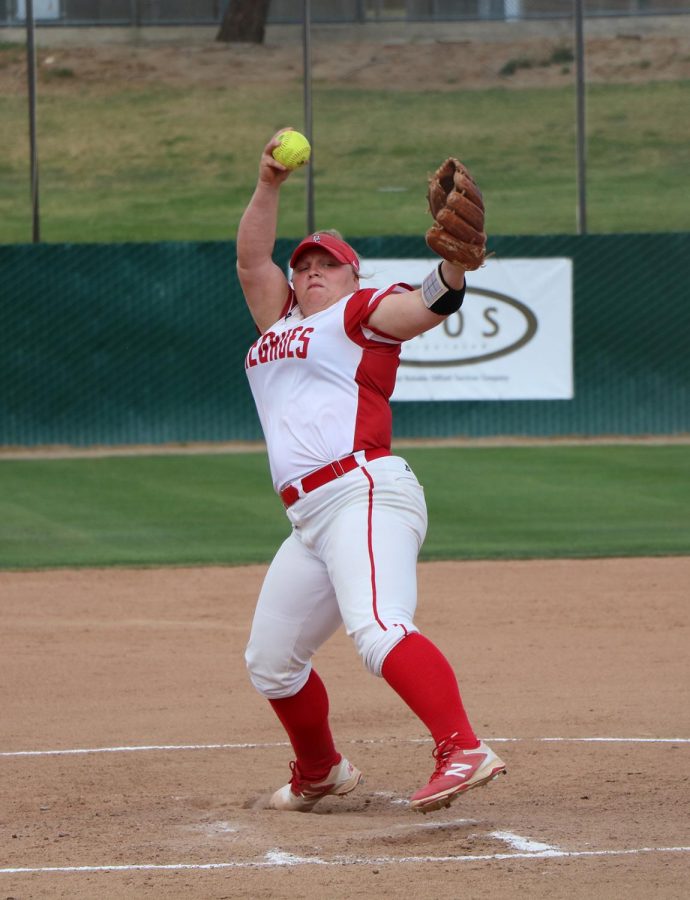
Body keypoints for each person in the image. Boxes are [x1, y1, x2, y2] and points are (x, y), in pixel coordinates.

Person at [236, 128, 506, 814]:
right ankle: (322, 771)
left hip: (363, 492)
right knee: (271, 661)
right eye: (305, 266)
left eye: (329, 263)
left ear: (355, 277)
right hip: (309, 519)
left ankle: (463, 747)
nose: (313, 270)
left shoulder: (359, 313)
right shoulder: (278, 325)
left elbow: (425, 306)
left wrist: (452, 273)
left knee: (380, 627)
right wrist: (268, 183)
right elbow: (250, 260)